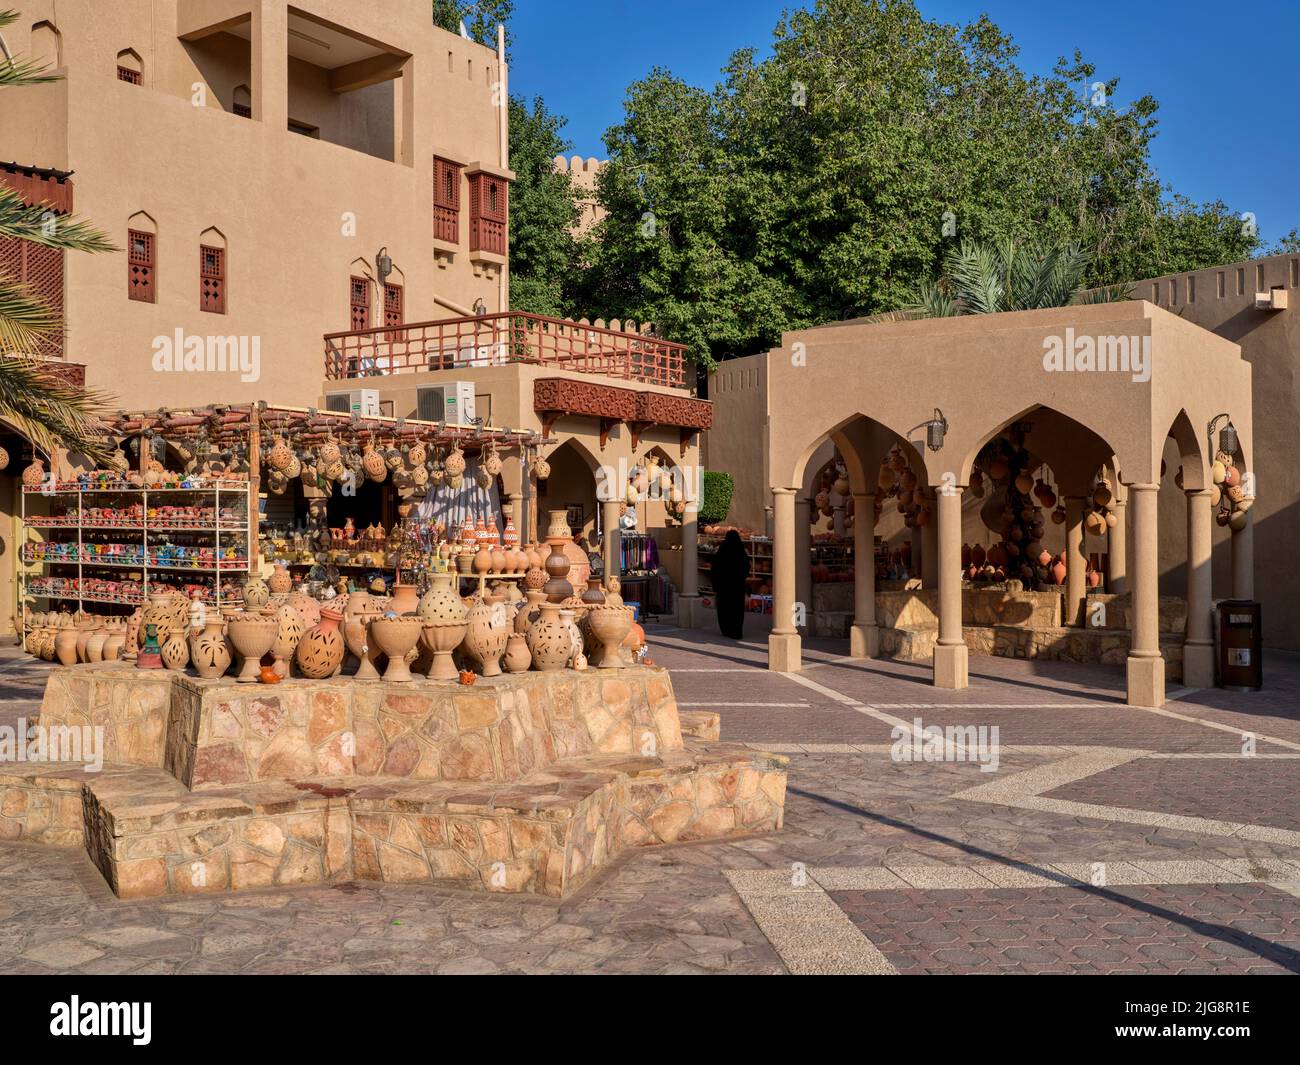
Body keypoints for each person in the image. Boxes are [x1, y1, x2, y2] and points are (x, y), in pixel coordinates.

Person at [710, 530, 750, 640]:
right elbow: (746, 566)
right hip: (737, 586)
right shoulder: (740, 550)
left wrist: (716, 584)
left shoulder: (723, 549)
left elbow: (715, 568)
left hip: (724, 586)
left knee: (724, 608)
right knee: (737, 609)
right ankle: (736, 631)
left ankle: (726, 630)